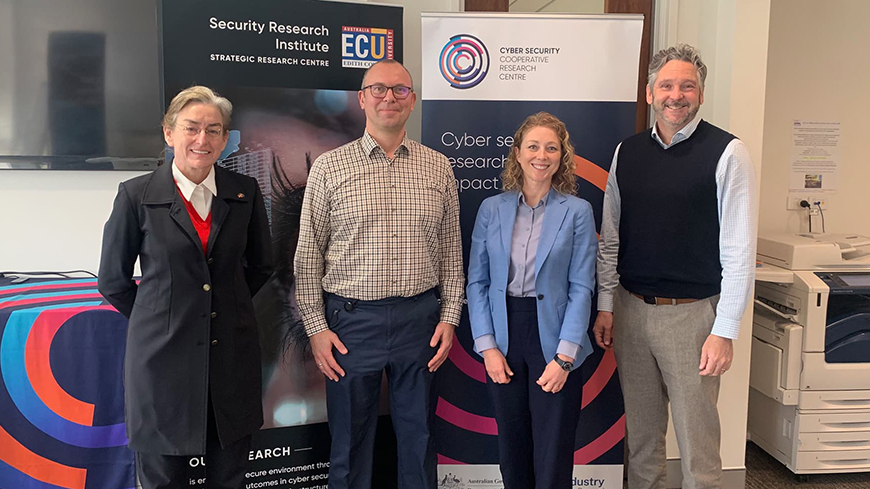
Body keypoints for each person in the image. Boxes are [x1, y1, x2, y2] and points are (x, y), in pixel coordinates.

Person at [294, 59, 464, 489]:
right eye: (378, 89)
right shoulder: (329, 168)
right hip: (351, 325)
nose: (389, 97)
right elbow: (308, 253)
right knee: (348, 446)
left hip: (420, 323)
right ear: (362, 99)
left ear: (412, 100)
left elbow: (450, 251)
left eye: (400, 90)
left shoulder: (437, 167)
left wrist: (449, 316)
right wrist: (315, 328)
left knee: (420, 440)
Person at [593, 44, 757, 489]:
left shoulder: (728, 153)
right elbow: (611, 239)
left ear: (701, 94)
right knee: (643, 441)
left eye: (688, 85)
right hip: (631, 312)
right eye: (666, 85)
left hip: (693, 318)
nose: (676, 94)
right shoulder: (626, 153)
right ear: (649, 93)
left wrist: (725, 330)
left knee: (697, 443)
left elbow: (740, 252)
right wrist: (606, 304)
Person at [98, 86, 273, 489]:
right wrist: (164, 316)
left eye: (214, 130)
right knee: (163, 480)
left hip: (230, 360)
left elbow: (261, 266)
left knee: (230, 477)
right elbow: (113, 281)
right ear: (168, 133)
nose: (202, 139)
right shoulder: (136, 195)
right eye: (191, 128)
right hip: (162, 366)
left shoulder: (244, 192)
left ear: (226, 140)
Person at [466, 112, 597, 489]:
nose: (542, 155)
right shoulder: (492, 208)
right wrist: (487, 348)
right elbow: (477, 282)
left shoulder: (577, 212)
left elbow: (581, 287)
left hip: (555, 339)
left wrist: (565, 356)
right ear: (518, 154)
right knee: (512, 446)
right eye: (534, 146)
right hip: (504, 335)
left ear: (561, 157)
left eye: (551, 148)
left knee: (553, 451)